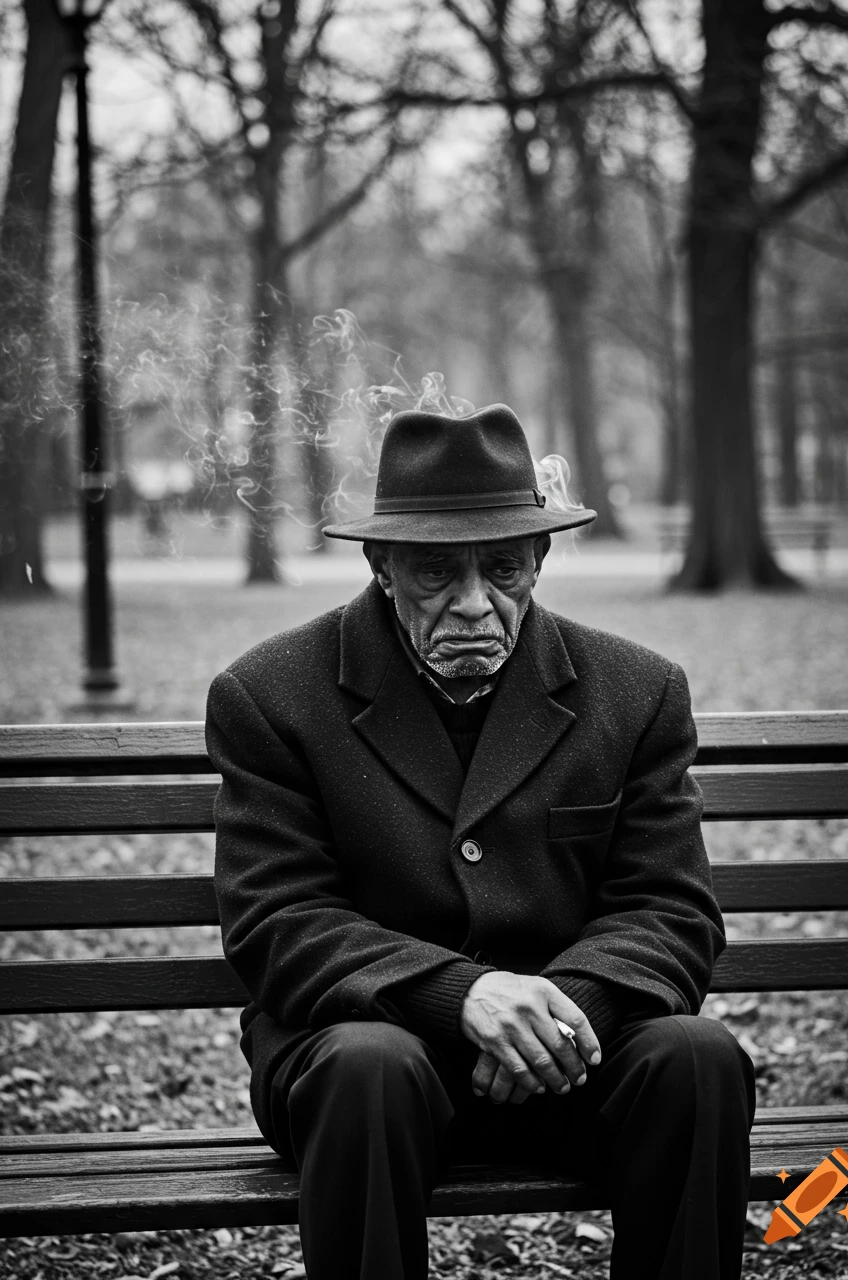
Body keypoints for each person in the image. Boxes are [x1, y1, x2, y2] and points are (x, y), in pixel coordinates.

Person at [206, 403, 756, 1280]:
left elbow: (671, 909)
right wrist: (462, 996)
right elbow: (276, 921)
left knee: (698, 1058)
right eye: (434, 572)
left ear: (539, 559)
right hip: (371, 1065)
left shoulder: (638, 690)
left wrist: (557, 1014)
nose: (473, 603)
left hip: (574, 1063)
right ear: (380, 565)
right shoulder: (271, 696)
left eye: (502, 568)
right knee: (365, 1067)